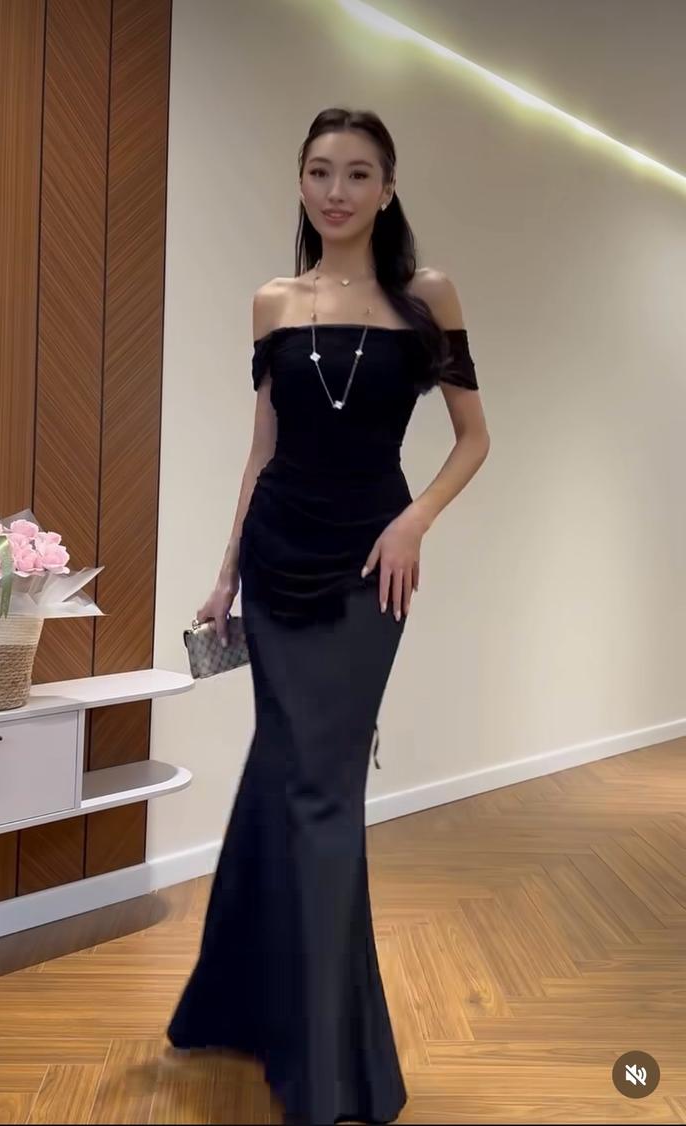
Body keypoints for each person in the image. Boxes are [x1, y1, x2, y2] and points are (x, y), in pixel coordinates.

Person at [166, 107, 490, 1125]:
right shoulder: (274, 302)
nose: (335, 191)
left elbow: (475, 438)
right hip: (276, 560)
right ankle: (254, 1011)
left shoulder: (427, 296)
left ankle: (324, 1059)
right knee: (286, 775)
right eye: (319, 171)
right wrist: (226, 572)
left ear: (387, 189)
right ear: (301, 183)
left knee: (319, 791)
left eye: (357, 173)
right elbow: (262, 449)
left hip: (367, 570)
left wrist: (414, 522)